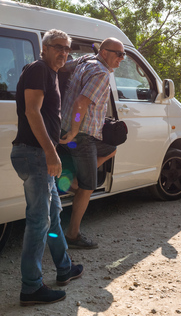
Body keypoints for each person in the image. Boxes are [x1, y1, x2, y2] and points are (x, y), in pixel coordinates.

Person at [10, 29, 83, 306]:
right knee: (39, 221)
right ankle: (30, 287)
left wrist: (59, 136)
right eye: (58, 47)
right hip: (35, 155)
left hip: (41, 154)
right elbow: (32, 111)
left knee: (52, 213)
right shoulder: (39, 69)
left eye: (67, 48)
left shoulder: (51, 73)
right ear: (45, 48)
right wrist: (51, 152)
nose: (63, 52)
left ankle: (63, 268)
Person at [59, 37, 124, 249]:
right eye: (118, 54)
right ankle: (73, 234)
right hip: (81, 136)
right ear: (104, 53)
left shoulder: (85, 59)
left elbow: (61, 68)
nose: (121, 59)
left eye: (123, 55)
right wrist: (75, 130)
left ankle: (69, 179)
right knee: (89, 186)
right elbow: (81, 103)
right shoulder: (101, 73)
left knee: (111, 148)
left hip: (73, 132)